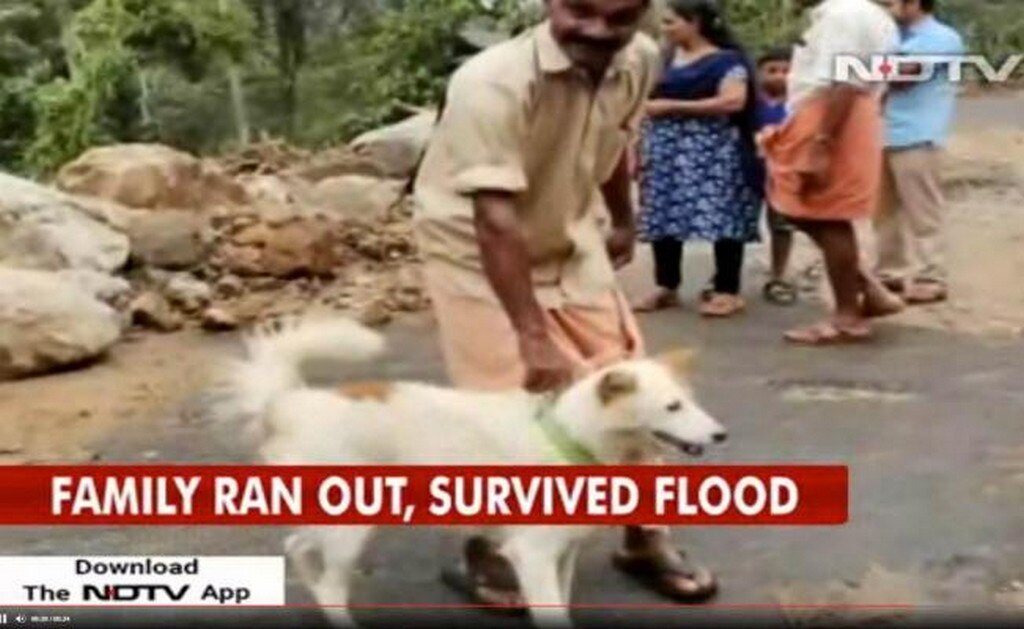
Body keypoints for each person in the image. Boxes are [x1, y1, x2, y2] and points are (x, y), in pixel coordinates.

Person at [413, 0, 719, 609]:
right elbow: (494, 219)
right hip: (474, 248)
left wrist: (626, 219)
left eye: (619, 18)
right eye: (581, 12)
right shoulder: (491, 83)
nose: (598, 31)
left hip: (568, 235)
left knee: (628, 383)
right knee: (509, 402)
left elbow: (613, 142)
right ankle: (492, 546)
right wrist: (531, 336)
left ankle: (641, 535)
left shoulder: (637, 59)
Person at [761, 0, 905, 345]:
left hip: (833, 114)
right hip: (839, 112)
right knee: (798, 206)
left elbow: (845, 82)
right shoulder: (869, 15)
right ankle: (868, 289)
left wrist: (822, 142)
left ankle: (847, 317)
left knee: (826, 214)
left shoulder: (846, 14)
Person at [633, 0, 762, 318]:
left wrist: (672, 107)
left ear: (696, 23)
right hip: (665, 150)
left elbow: (733, 101)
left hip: (714, 150)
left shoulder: (727, 61)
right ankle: (666, 285)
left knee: (723, 216)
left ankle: (727, 289)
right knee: (663, 213)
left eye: (671, 22)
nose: (665, 29)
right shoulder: (662, 60)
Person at [875, 0, 964, 304]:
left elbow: (903, 75)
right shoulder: (895, 37)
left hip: (918, 134)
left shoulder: (941, 37)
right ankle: (890, 272)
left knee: (923, 211)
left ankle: (931, 275)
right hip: (884, 133)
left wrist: (866, 66)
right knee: (883, 213)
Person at [756, 47, 799, 306]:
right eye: (772, 70)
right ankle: (724, 276)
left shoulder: (798, 105)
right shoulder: (751, 104)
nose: (780, 76)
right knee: (737, 226)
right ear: (758, 73)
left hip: (783, 174)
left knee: (782, 226)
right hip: (751, 171)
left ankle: (778, 274)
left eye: (786, 70)